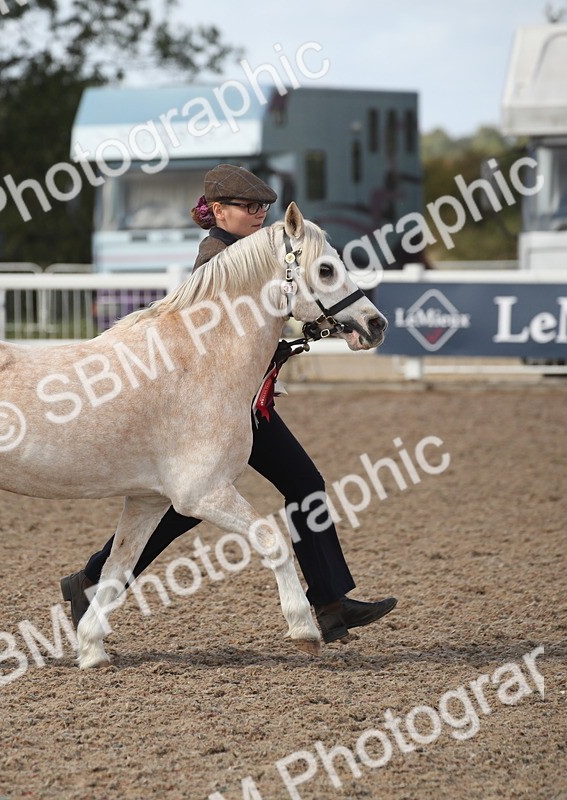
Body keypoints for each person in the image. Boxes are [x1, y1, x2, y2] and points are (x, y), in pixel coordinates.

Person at [60, 164, 396, 644]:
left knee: (215, 499)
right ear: (218, 210)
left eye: (262, 206)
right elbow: (219, 343)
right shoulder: (217, 258)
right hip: (217, 408)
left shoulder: (262, 254)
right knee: (193, 502)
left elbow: (271, 329)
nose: (259, 214)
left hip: (241, 403)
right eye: (247, 206)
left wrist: (337, 326)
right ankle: (92, 580)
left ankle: (329, 601)